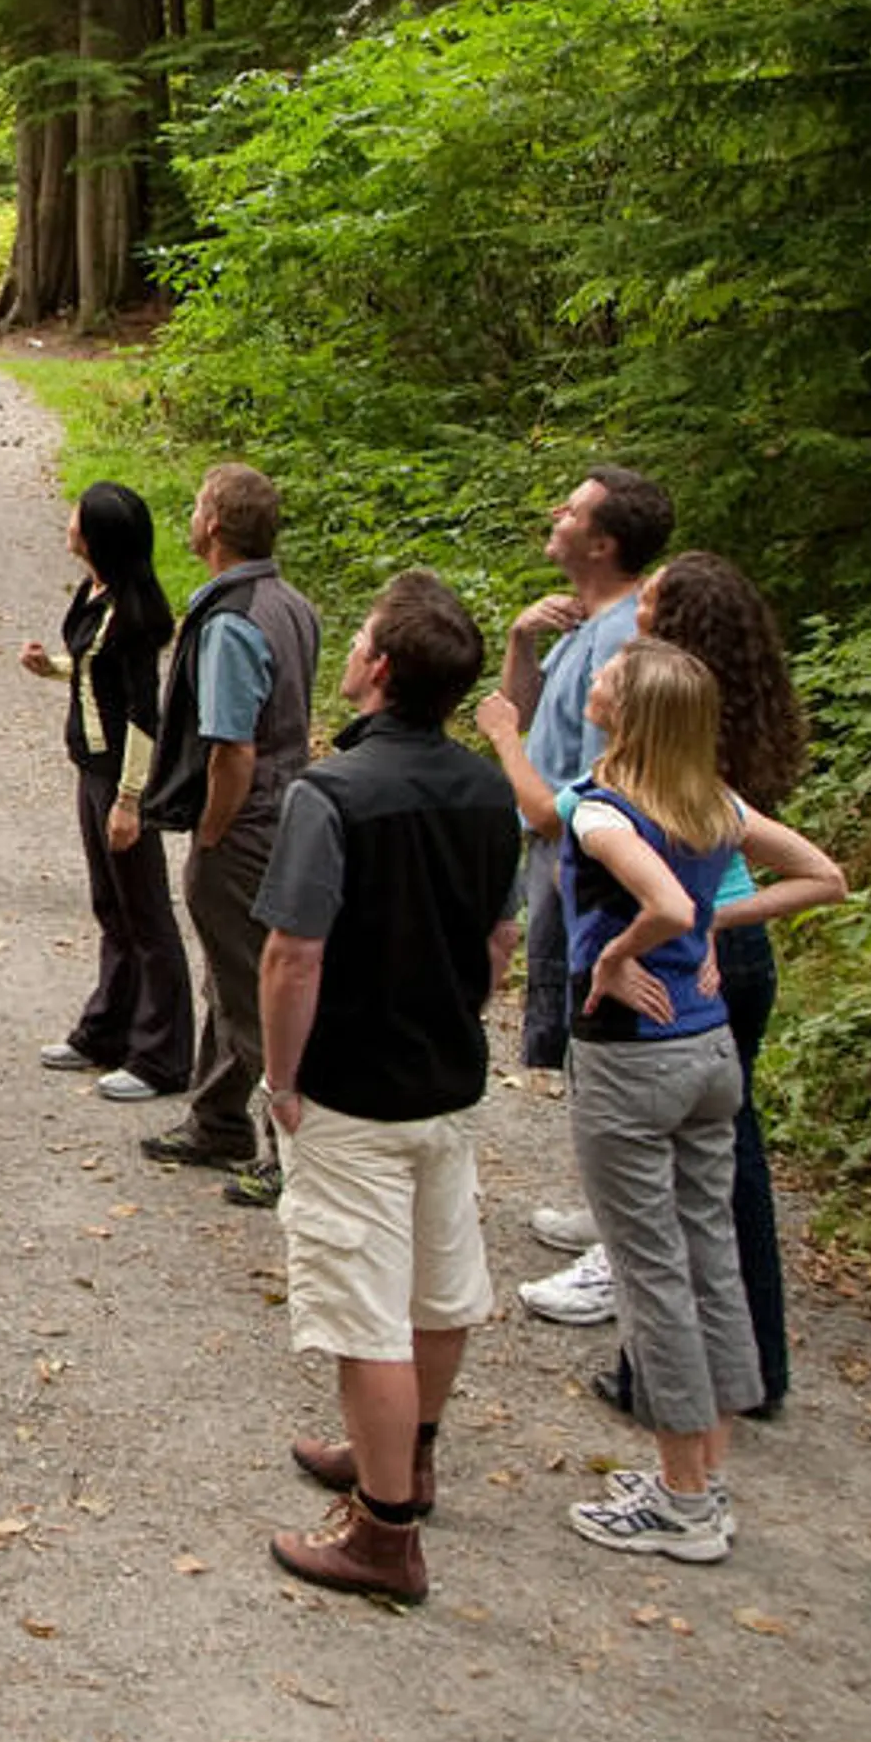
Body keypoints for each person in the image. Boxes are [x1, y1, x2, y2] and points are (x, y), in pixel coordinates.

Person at [542, 640, 845, 1562]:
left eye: (609, 677)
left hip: (634, 1062)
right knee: (708, 1253)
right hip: (710, 1048)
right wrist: (714, 919)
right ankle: (704, 1479)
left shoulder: (604, 816)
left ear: (628, 713)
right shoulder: (713, 802)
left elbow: (667, 906)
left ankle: (678, 1499)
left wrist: (619, 953)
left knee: (650, 1273)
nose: (595, 676)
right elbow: (822, 877)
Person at [256, 572, 527, 1603]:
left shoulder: (333, 794)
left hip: (355, 1088)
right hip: (446, 1078)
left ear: (374, 669)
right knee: (437, 1288)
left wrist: (282, 1079)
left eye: (363, 639)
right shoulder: (489, 787)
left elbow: (294, 953)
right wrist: (462, 1010)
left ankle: (384, 1535)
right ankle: (403, 1456)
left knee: (366, 1311)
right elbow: (502, 935)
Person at [577, 553, 823, 1423]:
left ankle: (676, 1391)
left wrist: (683, 929)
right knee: (720, 1172)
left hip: (685, 958)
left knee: (681, 1197)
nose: (632, 614)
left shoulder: (669, 733)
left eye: (649, 603)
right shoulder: (725, 721)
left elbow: (673, 887)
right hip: (722, 943)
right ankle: (745, 1369)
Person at [492, 464, 676, 1323]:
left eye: (569, 510)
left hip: (590, 862)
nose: (554, 516)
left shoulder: (623, 639)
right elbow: (524, 717)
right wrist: (522, 643)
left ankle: (621, 1249)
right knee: (576, 1034)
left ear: (602, 542)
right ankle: (604, 1210)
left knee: (603, 1038)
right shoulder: (578, 626)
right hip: (558, 853)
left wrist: (514, 770)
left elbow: (596, 779)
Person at [130, 463, 321, 1204]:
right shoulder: (290, 603)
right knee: (231, 970)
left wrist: (211, 833)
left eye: (198, 505)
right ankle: (217, 1119)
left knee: (250, 987)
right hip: (287, 809)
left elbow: (233, 749)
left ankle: (288, 1153)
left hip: (246, 824)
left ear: (213, 525)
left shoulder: (233, 622)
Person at [20, 484, 187, 1098]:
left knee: (146, 914)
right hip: (91, 769)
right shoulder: (97, 594)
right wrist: (53, 669)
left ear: (96, 537)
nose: (67, 523)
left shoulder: (133, 615)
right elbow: (97, 668)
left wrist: (129, 800)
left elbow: (144, 714)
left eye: (76, 518)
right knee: (111, 906)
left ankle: (162, 1056)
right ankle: (107, 1029)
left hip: (119, 776)